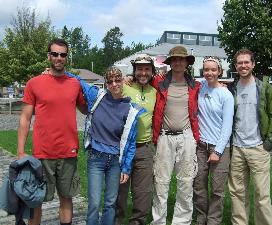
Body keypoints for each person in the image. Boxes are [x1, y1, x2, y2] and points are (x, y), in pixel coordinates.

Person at [17, 38, 86, 225]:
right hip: (42, 153)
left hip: (68, 151)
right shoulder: (34, 83)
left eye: (63, 54)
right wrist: (21, 151)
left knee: (66, 197)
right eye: (55, 54)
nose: (58, 58)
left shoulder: (75, 84)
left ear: (67, 57)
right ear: (49, 56)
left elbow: (86, 109)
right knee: (36, 199)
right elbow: (25, 118)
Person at [66, 67, 145, 225]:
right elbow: (79, 82)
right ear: (106, 84)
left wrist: (126, 168)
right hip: (96, 159)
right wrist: (59, 73)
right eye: (110, 81)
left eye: (117, 80)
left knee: (110, 204)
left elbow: (130, 143)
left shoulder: (130, 110)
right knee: (94, 203)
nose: (114, 84)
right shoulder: (97, 97)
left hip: (115, 161)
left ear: (123, 81)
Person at [228, 49, 272, 225]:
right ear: (235, 66)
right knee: (237, 193)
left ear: (253, 64)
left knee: (262, 194)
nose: (243, 65)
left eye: (246, 62)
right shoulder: (232, 88)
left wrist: (269, 142)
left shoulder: (264, 87)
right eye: (239, 63)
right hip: (237, 148)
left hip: (258, 148)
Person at [151, 46, 200, 225]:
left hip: (187, 138)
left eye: (182, 59)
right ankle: (158, 221)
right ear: (170, 63)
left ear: (187, 62)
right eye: (175, 59)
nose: (178, 62)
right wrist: (128, 78)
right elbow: (140, 81)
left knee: (186, 183)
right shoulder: (159, 83)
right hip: (164, 137)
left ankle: (182, 221)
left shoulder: (196, 85)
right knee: (161, 182)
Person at [115, 54, 157, 225]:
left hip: (145, 148)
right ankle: (116, 221)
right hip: (123, 148)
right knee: (119, 191)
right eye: (139, 69)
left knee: (143, 194)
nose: (143, 73)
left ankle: (137, 222)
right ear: (134, 71)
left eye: (147, 69)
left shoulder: (155, 91)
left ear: (152, 72)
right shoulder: (124, 87)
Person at [193, 56, 234, 225]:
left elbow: (227, 126)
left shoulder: (226, 94)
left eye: (213, 70)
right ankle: (201, 218)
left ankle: (213, 221)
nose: (209, 73)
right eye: (206, 70)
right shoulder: (199, 87)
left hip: (220, 148)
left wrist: (217, 151)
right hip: (201, 146)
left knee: (217, 189)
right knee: (199, 186)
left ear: (219, 72)